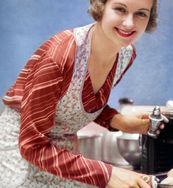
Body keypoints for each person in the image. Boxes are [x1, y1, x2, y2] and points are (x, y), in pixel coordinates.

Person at [0, 0, 161, 187]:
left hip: (61, 158)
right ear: (100, 6)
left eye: (141, 13)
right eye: (120, 9)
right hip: (20, 156)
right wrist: (107, 174)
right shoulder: (60, 57)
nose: (129, 23)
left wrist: (120, 121)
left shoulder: (125, 55)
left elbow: (80, 101)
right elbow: (31, 146)